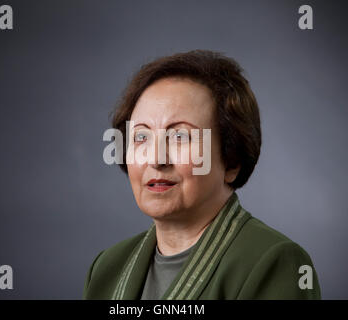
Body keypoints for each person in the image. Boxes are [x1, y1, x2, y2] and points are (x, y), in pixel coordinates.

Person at [83, 50, 321, 300]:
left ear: (232, 161)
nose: (156, 159)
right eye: (141, 136)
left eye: (180, 137)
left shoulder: (275, 263)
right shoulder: (107, 268)